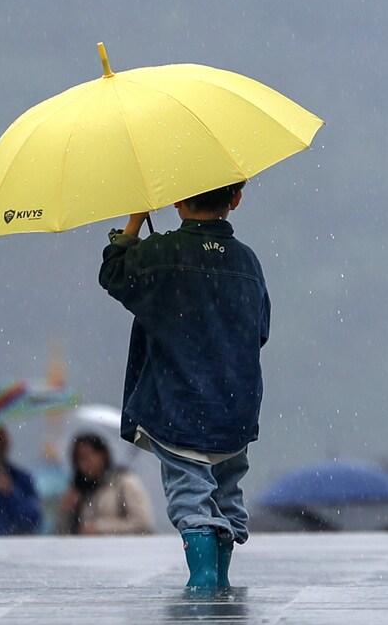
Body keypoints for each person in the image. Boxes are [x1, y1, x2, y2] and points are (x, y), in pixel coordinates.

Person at [99, 181, 270, 593]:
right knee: (226, 491)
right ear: (237, 198)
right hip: (236, 404)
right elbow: (260, 330)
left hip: (179, 404)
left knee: (190, 492)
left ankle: (203, 580)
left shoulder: (159, 255)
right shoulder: (248, 262)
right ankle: (222, 576)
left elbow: (113, 274)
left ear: (175, 199)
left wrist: (136, 219)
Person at [57, 433, 155, 535]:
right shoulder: (79, 491)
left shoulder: (124, 482)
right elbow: (64, 533)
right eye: (79, 459)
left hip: (124, 547)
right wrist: (66, 512)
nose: (84, 464)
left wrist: (100, 528)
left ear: (102, 455)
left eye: (88, 456)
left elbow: (143, 523)